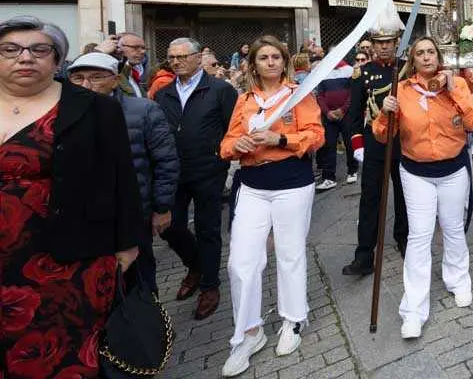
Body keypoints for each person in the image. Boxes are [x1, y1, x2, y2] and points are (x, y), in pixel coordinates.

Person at [0, 16, 141, 377]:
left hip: (68, 257)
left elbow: (121, 177)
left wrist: (128, 244)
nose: (25, 57)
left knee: (60, 354)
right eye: (10, 50)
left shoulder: (95, 108)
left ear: (57, 59)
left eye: (39, 49)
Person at [219, 36, 325, 375]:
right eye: (263, 57)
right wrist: (238, 144)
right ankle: (248, 333)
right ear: (253, 64)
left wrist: (280, 138)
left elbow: (316, 135)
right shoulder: (244, 100)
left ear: (284, 62)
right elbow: (225, 145)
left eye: (275, 57)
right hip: (252, 184)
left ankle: (293, 320)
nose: (270, 62)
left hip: (292, 182)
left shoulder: (299, 95)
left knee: (290, 253)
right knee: (241, 261)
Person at [372, 37, 473, 338]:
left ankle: (458, 280)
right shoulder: (401, 90)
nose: (426, 57)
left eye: (431, 52)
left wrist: (453, 89)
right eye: (420, 53)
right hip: (415, 172)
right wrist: (384, 113)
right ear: (413, 60)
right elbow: (383, 135)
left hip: (453, 169)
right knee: (419, 236)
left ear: (438, 56)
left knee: (452, 227)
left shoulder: (457, 84)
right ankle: (413, 309)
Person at [67, 51, 180, 293]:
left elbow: (165, 161)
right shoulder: (62, 115)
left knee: (140, 281)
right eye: (78, 78)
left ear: (116, 80)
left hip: (133, 214)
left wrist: (162, 207)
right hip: (82, 218)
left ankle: (149, 316)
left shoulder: (144, 110)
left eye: (96, 77)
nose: (86, 84)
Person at [155, 37, 239, 320]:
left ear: (198, 58)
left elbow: (233, 128)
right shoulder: (163, 93)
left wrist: (221, 156)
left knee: (208, 229)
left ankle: (210, 285)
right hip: (172, 172)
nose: (176, 62)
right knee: (170, 227)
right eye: (172, 57)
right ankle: (195, 264)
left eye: (182, 56)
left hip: (208, 170)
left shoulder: (220, 90)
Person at [342, 2, 409, 276]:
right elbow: (354, 114)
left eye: (388, 42)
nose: (383, 47)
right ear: (373, 44)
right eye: (379, 42)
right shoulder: (362, 72)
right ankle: (364, 255)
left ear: (396, 42)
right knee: (370, 197)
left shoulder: (407, 68)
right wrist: (357, 144)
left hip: (403, 140)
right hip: (374, 141)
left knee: (404, 193)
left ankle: (404, 238)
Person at [315, 49, 358, 190]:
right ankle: (329, 177)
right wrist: (327, 112)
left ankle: (352, 170)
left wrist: (343, 110)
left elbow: (353, 93)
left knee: (349, 143)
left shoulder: (350, 70)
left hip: (346, 115)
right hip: (329, 116)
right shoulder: (322, 71)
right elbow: (319, 95)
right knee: (328, 145)